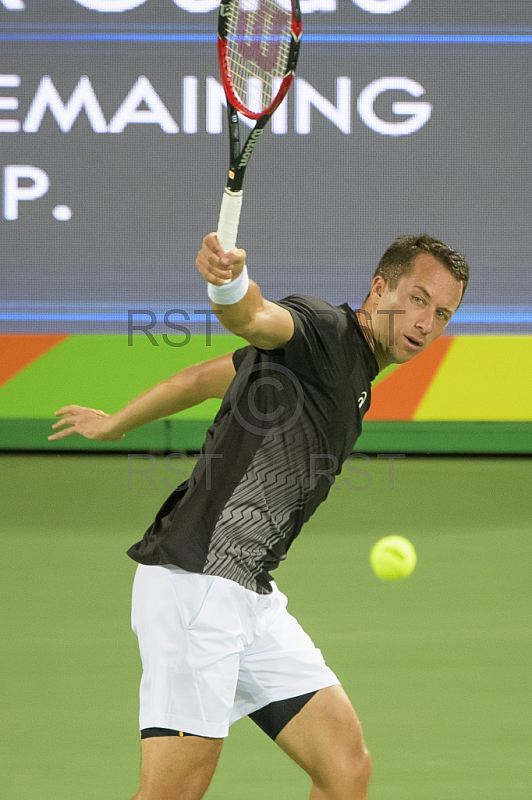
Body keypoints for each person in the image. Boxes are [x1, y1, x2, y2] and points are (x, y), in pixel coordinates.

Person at [49, 233, 469, 800]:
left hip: (249, 593)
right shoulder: (324, 331)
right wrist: (229, 284)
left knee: (345, 769)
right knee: (173, 792)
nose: (426, 322)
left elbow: (198, 378)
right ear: (379, 289)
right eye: (418, 299)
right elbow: (252, 317)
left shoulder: (354, 379)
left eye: (442, 313)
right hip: (197, 586)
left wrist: (117, 422)